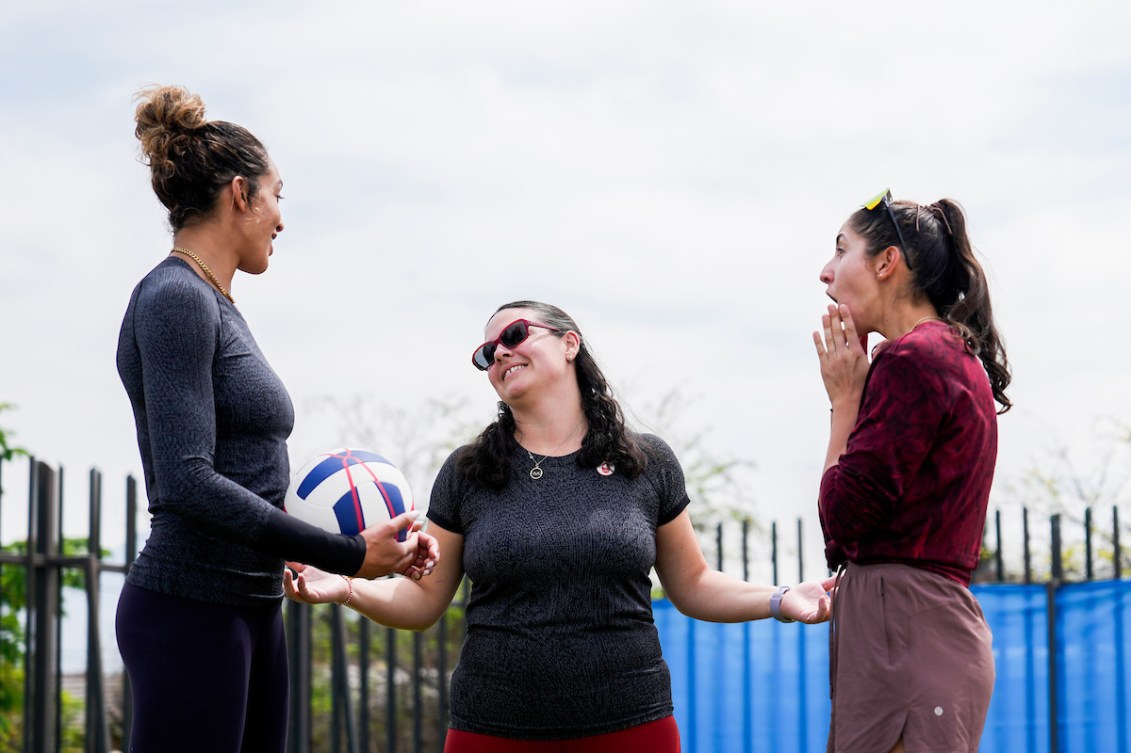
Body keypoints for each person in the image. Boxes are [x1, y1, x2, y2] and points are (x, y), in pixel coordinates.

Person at [286, 300, 836, 752]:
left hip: (630, 726)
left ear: (570, 343)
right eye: (487, 354)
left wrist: (782, 597)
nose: (500, 352)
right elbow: (422, 602)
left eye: (516, 334)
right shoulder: (467, 471)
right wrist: (348, 588)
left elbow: (692, 585)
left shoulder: (646, 462)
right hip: (491, 730)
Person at [115, 84, 439, 753]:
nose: (281, 220)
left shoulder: (214, 302)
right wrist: (352, 554)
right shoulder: (175, 298)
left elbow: (238, 477)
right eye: (276, 197)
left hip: (250, 604)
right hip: (190, 607)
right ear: (240, 194)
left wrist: (349, 542)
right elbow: (186, 480)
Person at [812, 190, 1012, 753]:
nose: (825, 272)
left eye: (841, 250)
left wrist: (844, 403)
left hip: (905, 637)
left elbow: (843, 520)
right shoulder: (944, 353)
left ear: (884, 263)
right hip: (915, 635)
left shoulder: (912, 358)